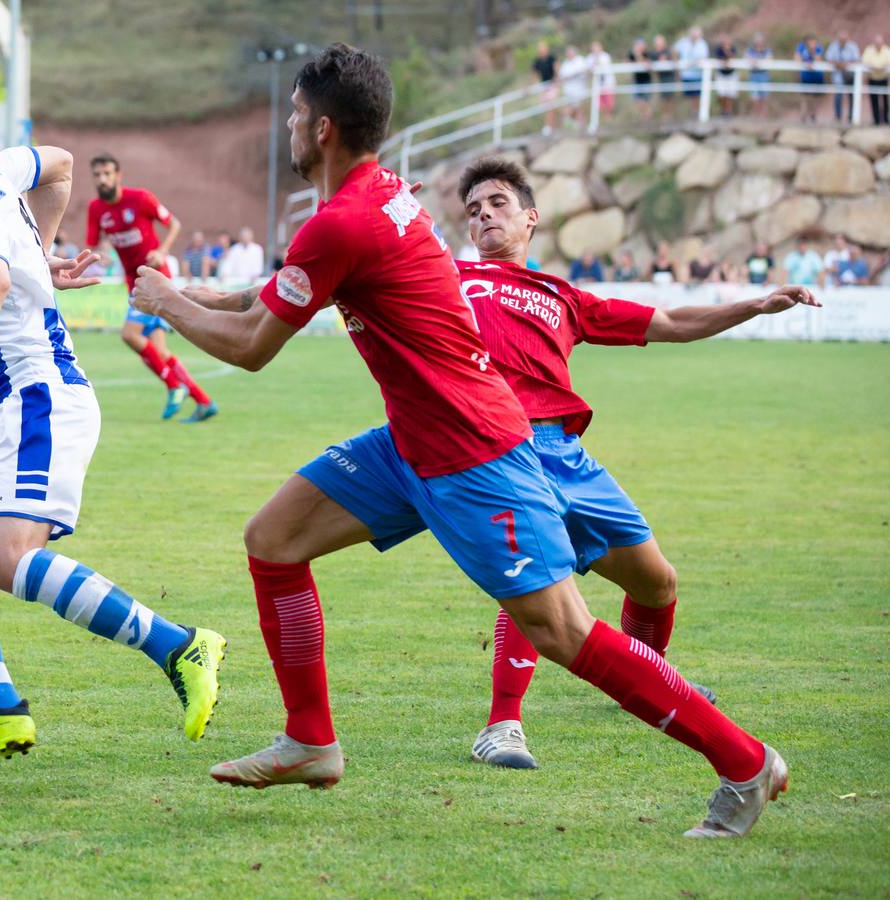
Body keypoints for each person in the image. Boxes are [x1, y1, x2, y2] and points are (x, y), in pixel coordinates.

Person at [130, 43, 787, 838]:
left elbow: (251, 347)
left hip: (475, 453)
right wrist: (191, 294)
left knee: (563, 632)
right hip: (411, 442)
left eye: (298, 116)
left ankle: (746, 762)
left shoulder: (342, 220)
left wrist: (165, 299)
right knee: (273, 540)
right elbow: (276, 292)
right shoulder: (378, 198)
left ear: (325, 127)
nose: (291, 129)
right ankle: (311, 740)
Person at [0, 76, 226, 772]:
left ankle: (179, 646)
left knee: (4, 559)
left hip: (38, 397)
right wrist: (43, 248)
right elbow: (60, 162)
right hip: (9, 405)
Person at [450, 157, 818, 770]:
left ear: (530, 217)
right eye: (472, 210)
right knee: (536, 581)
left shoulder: (562, 297)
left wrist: (752, 306)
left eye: (497, 203)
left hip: (566, 454)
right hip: (500, 448)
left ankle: (648, 685)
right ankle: (502, 725)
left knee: (657, 583)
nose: (483, 214)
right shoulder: (449, 278)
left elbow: (670, 322)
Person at [85, 153, 218, 422]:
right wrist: (103, 253)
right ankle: (204, 402)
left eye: (107, 173)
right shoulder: (96, 209)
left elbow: (174, 224)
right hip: (134, 283)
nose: (102, 179)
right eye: (97, 175)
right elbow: (95, 242)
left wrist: (161, 250)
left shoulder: (141, 198)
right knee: (161, 352)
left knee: (129, 335)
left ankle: (173, 385)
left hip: (155, 280)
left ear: (118, 175)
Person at [825, 30, 861, 122]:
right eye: (841, 39)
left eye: (844, 39)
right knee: (838, 96)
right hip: (838, 75)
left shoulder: (852, 46)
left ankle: (851, 117)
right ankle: (838, 117)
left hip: (850, 75)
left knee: (851, 95)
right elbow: (828, 57)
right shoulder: (834, 46)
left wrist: (846, 64)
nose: (843, 41)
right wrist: (838, 64)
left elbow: (857, 59)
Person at [558, 46, 590, 128]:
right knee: (572, 109)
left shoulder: (580, 60)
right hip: (568, 92)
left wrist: (571, 76)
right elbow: (562, 77)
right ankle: (574, 126)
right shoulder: (565, 63)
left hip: (579, 90)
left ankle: (582, 127)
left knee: (578, 109)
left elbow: (585, 72)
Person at [796, 35, 826, 122]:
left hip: (817, 76)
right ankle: (803, 116)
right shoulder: (801, 47)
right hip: (805, 76)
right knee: (804, 96)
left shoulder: (818, 47)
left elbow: (818, 60)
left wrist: (812, 52)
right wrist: (806, 63)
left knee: (816, 96)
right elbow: (797, 58)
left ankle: (814, 115)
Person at [675, 27, 709, 104]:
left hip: (698, 74)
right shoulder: (683, 42)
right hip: (686, 74)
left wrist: (694, 63)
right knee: (688, 95)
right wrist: (677, 63)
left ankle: (696, 112)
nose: (694, 35)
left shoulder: (702, 44)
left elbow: (703, 57)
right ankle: (691, 113)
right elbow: (674, 50)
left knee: (697, 94)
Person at [531, 41, 559, 135]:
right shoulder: (537, 61)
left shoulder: (552, 58)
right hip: (544, 86)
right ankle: (549, 126)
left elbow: (556, 69)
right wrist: (528, 86)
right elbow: (533, 74)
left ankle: (550, 126)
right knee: (547, 107)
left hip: (552, 85)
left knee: (551, 106)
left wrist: (556, 80)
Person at [745, 34, 774, 118]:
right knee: (755, 98)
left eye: (760, 42)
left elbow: (769, 60)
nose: (759, 44)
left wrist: (757, 61)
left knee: (765, 97)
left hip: (764, 75)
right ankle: (755, 116)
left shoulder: (767, 51)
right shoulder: (750, 50)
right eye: (757, 42)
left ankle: (764, 116)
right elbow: (748, 59)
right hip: (754, 75)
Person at [865, 35, 890, 126]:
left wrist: (879, 67)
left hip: (883, 78)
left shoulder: (887, 51)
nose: (878, 45)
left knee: (885, 99)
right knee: (874, 99)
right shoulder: (869, 50)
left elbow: (888, 62)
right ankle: (876, 120)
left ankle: (886, 119)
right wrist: (876, 67)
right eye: (877, 43)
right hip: (873, 78)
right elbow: (865, 61)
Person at [628, 37, 655, 120]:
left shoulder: (648, 53)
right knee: (638, 102)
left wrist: (639, 55)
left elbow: (648, 65)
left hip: (646, 80)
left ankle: (648, 119)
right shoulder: (632, 54)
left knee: (646, 101)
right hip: (637, 80)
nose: (639, 46)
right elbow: (627, 63)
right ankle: (644, 118)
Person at [652, 34, 677, 119]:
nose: (658, 45)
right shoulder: (654, 54)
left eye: (660, 43)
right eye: (657, 44)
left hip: (669, 77)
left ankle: (670, 115)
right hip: (661, 78)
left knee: (670, 97)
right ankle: (665, 116)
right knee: (662, 98)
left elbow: (674, 62)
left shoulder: (669, 51)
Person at [713, 35, 740, 117]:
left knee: (730, 94)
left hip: (731, 74)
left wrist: (727, 50)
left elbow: (733, 57)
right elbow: (718, 58)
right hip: (721, 74)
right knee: (721, 94)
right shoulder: (718, 49)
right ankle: (723, 110)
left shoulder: (733, 48)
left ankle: (728, 112)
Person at [588, 41, 615, 116]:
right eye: (593, 47)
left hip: (607, 83)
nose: (595, 49)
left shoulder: (605, 56)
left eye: (596, 47)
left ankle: (609, 118)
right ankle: (605, 119)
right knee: (599, 105)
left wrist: (596, 58)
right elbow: (590, 70)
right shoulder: (590, 57)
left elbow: (601, 66)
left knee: (609, 103)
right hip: (597, 84)